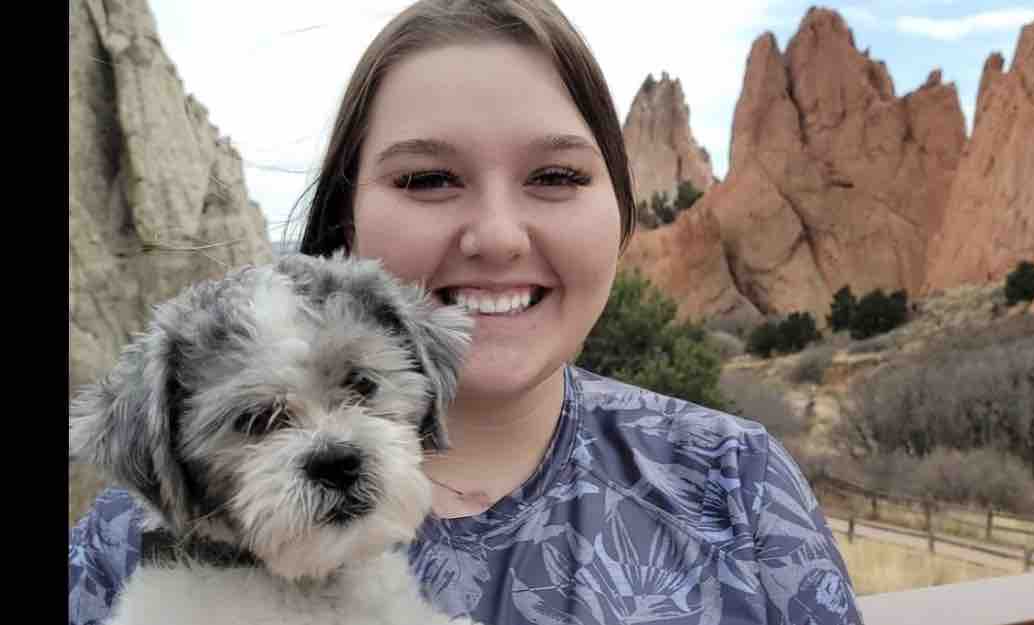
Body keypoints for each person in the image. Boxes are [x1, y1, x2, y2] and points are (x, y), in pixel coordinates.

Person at [68, 1, 865, 623]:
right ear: (345, 220)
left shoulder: (733, 482)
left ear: (623, 210)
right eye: (426, 179)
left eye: (555, 176)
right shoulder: (122, 542)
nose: (497, 236)